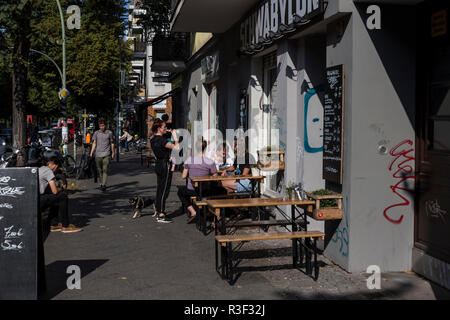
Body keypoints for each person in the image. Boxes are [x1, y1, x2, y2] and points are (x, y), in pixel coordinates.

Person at [177, 139, 221, 224]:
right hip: (206, 189)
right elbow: (215, 176)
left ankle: (193, 212)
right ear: (205, 148)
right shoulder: (210, 161)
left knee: (180, 192)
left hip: (192, 190)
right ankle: (214, 215)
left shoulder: (189, 160)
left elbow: (183, 176)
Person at [39, 157, 82, 233]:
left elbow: (49, 190)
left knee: (54, 198)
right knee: (62, 196)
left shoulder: (40, 169)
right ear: (55, 165)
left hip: (36, 198)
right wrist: (61, 189)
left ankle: (54, 224)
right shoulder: (48, 171)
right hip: (40, 199)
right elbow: (55, 191)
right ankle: (65, 226)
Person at [150, 118, 179, 223]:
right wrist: (175, 137)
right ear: (159, 128)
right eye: (164, 127)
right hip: (164, 165)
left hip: (158, 164)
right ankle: (161, 214)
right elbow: (176, 147)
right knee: (164, 190)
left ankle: (159, 210)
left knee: (160, 188)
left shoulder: (153, 139)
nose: (166, 128)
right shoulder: (162, 140)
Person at [90, 118, 115, 192]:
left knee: (105, 169)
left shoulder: (109, 133)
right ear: (99, 126)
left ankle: (103, 184)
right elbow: (94, 143)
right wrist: (91, 152)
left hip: (106, 154)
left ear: (105, 125)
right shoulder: (96, 133)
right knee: (99, 170)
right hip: (98, 154)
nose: (102, 127)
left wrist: (113, 152)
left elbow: (112, 143)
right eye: (101, 126)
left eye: (103, 126)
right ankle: (101, 182)